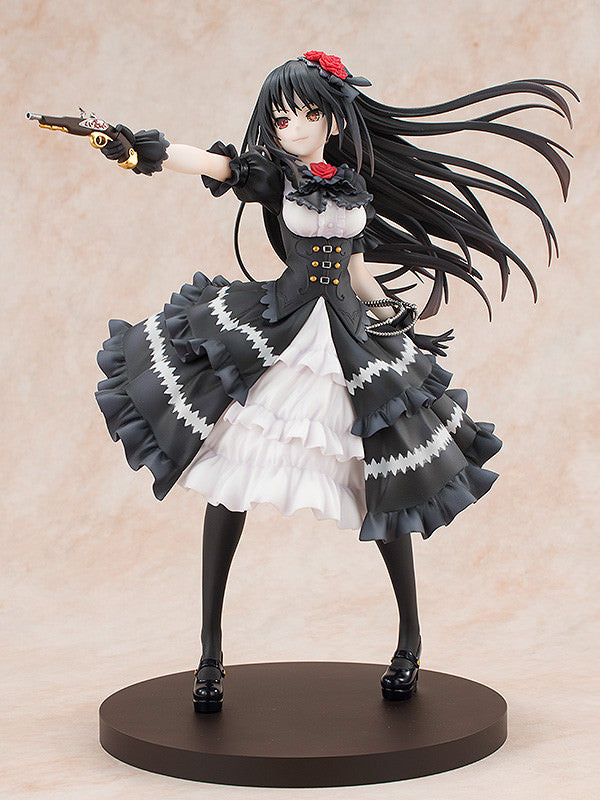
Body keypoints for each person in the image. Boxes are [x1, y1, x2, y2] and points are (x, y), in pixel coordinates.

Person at [95, 51, 575, 713]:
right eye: (280, 118)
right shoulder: (273, 174)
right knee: (232, 478)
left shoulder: (351, 185)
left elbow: (355, 268)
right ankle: (209, 651)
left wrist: (389, 309)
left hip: (348, 341)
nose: (289, 128)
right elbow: (213, 165)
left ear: (331, 118)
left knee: (386, 483)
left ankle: (410, 640)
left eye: (302, 115)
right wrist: (138, 150)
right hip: (282, 334)